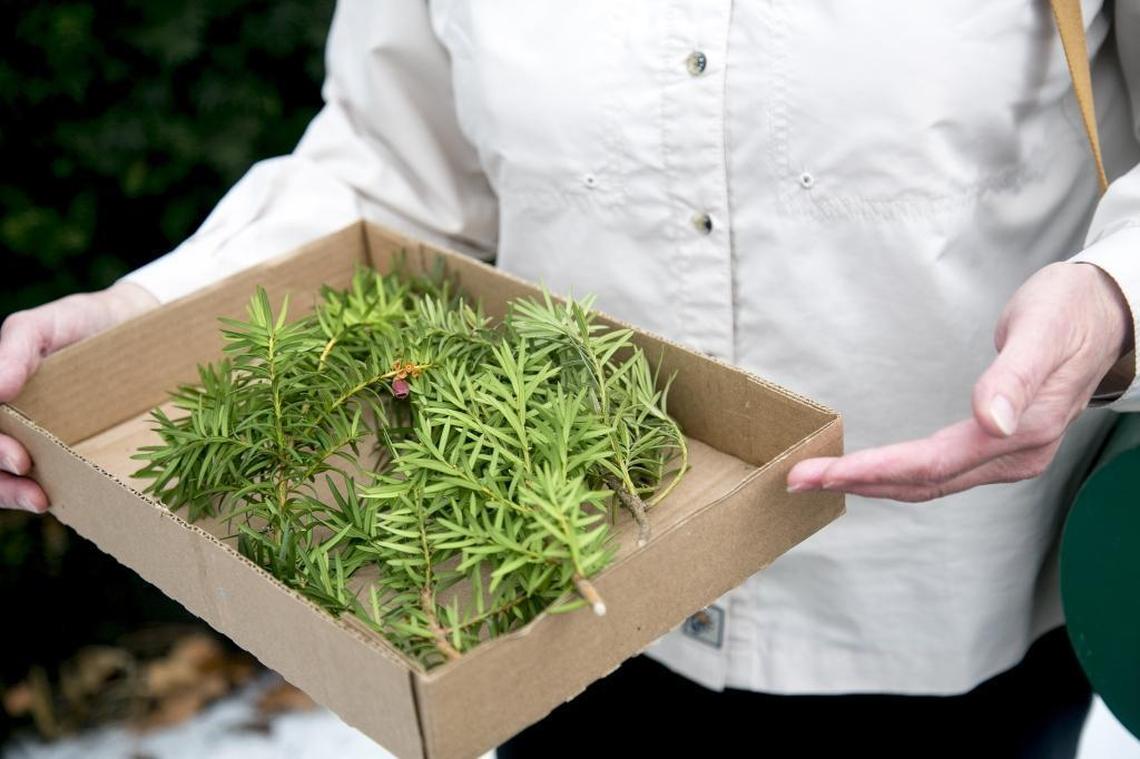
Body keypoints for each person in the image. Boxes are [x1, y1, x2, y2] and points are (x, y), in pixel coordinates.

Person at [2, 2, 1139, 755]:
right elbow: (395, 165)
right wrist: (139, 320)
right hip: (558, 605)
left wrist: (1114, 302)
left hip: (942, 618)